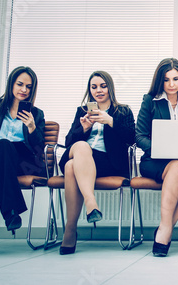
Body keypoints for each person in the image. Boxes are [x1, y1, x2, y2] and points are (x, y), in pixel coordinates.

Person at [0, 66, 45, 255]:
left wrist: (31, 127)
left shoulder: (36, 114)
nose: (24, 90)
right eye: (20, 84)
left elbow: (39, 148)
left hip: (23, 162)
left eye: (29, 86)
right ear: (11, 84)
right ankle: (10, 211)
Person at [58, 71, 135, 255]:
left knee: (70, 167)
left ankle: (70, 230)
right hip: (81, 157)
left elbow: (133, 139)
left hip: (108, 162)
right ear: (89, 90)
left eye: (102, 86)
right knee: (80, 149)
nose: (98, 90)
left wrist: (111, 121)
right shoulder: (82, 111)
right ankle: (90, 202)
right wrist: (83, 129)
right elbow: (69, 142)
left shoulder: (122, 111)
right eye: (94, 87)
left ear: (110, 87)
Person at [135, 58, 178, 257]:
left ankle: (166, 226)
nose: (172, 84)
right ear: (160, 81)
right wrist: (163, 149)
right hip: (155, 161)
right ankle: (165, 231)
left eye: (176, 79)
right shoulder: (150, 101)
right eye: (166, 80)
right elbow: (140, 136)